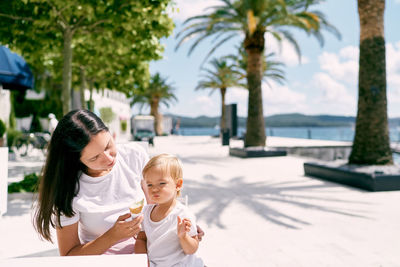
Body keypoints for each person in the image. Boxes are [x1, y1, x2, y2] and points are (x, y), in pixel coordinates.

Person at [33, 109, 203, 256]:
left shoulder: (134, 155)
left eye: (108, 146)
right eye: (94, 157)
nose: (108, 159)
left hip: (150, 254)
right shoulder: (68, 189)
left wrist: (181, 225)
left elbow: (158, 203)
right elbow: (69, 254)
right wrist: (112, 236)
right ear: (76, 160)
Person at [134, 154, 204, 267]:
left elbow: (191, 249)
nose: (154, 189)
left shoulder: (183, 214)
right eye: (149, 184)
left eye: (161, 183)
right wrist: (142, 260)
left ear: (178, 184)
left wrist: (183, 236)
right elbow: (141, 239)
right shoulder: (146, 212)